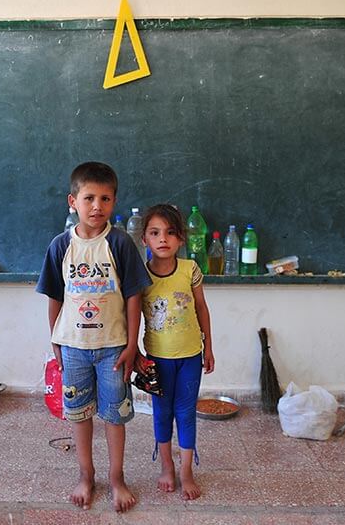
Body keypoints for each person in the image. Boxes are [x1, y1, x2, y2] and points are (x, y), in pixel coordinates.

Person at [36, 161, 151, 512]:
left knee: (115, 416)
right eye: (89, 198)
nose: (96, 206)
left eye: (105, 198)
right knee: (79, 414)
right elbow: (55, 295)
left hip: (113, 348)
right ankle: (86, 475)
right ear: (73, 201)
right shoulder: (60, 246)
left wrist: (132, 344)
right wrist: (55, 340)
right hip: (73, 348)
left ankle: (117, 479)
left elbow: (134, 295)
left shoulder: (120, 243)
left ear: (114, 202)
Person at [138, 203, 214, 500]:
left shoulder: (190, 269)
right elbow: (131, 317)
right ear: (144, 239)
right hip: (156, 359)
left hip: (191, 356)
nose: (163, 239)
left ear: (181, 238)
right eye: (155, 233)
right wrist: (135, 356)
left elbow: (201, 307)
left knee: (185, 412)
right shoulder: (141, 276)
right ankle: (167, 466)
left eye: (170, 233)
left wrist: (209, 346)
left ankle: (186, 471)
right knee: (162, 412)